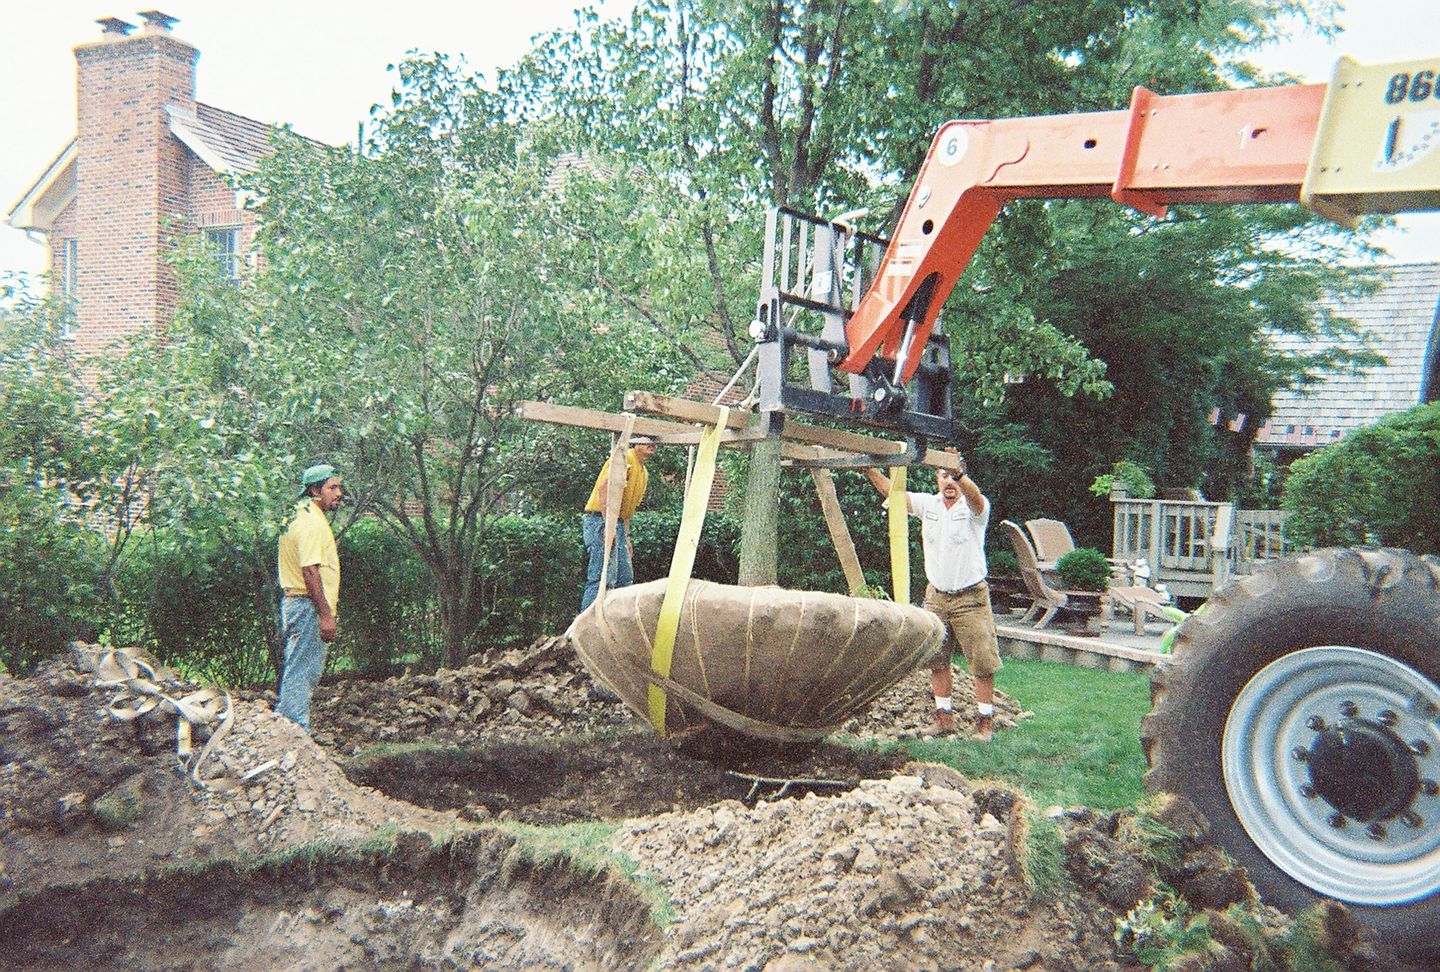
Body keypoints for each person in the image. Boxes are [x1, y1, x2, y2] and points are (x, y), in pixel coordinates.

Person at [864, 458, 1002, 740]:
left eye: (954, 477)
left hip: (970, 597)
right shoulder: (929, 505)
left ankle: (984, 723)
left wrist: (960, 473)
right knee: (936, 660)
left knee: (982, 662)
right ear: (937, 480)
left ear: (962, 478)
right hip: (936, 596)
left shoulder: (976, 508)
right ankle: (944, 719)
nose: (949, 482)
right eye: (944, 476)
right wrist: (866, 468)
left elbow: (975, 497)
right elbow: (893, 493)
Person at [275, 463, 343, 732]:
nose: (338, 493)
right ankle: (293, 730)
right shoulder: (312, 522)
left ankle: (287, 727)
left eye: (339, 487)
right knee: (302, 672)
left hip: (296, 604)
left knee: (296, 667)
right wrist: (325, 615)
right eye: (332, 487)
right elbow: (309, 570)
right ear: (315, 490)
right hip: (307, 607)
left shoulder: (296, 515)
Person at [580, 435, 658, 611]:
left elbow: (628, 508)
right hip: (600, 519)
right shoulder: (624, 459)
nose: (652, 444)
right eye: (647, 440)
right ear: (636, 441)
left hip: (619, 523)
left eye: (654, 441)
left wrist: (627, 537)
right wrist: (609, 526)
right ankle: (587, 630)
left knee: (624, 579)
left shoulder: (644, 472)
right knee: (602, 579)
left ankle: (615, 625)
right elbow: (604, 490)